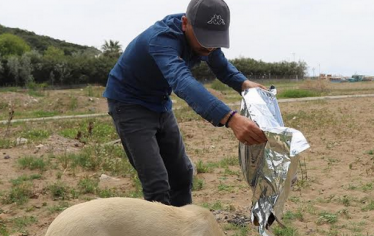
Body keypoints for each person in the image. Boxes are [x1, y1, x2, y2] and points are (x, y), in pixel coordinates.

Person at [103, 0, 268, 207]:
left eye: (215, 40)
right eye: (204, 39)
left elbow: (222, 67)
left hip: (160, 102)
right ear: (184, 23)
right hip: (128, 103)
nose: (209, 46)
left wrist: (244, 84)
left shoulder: (207, 41)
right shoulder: (162, 38)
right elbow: (181, 80)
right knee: (157, 183)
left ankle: (182, 229)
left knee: (181, 174)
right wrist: (230, 118)